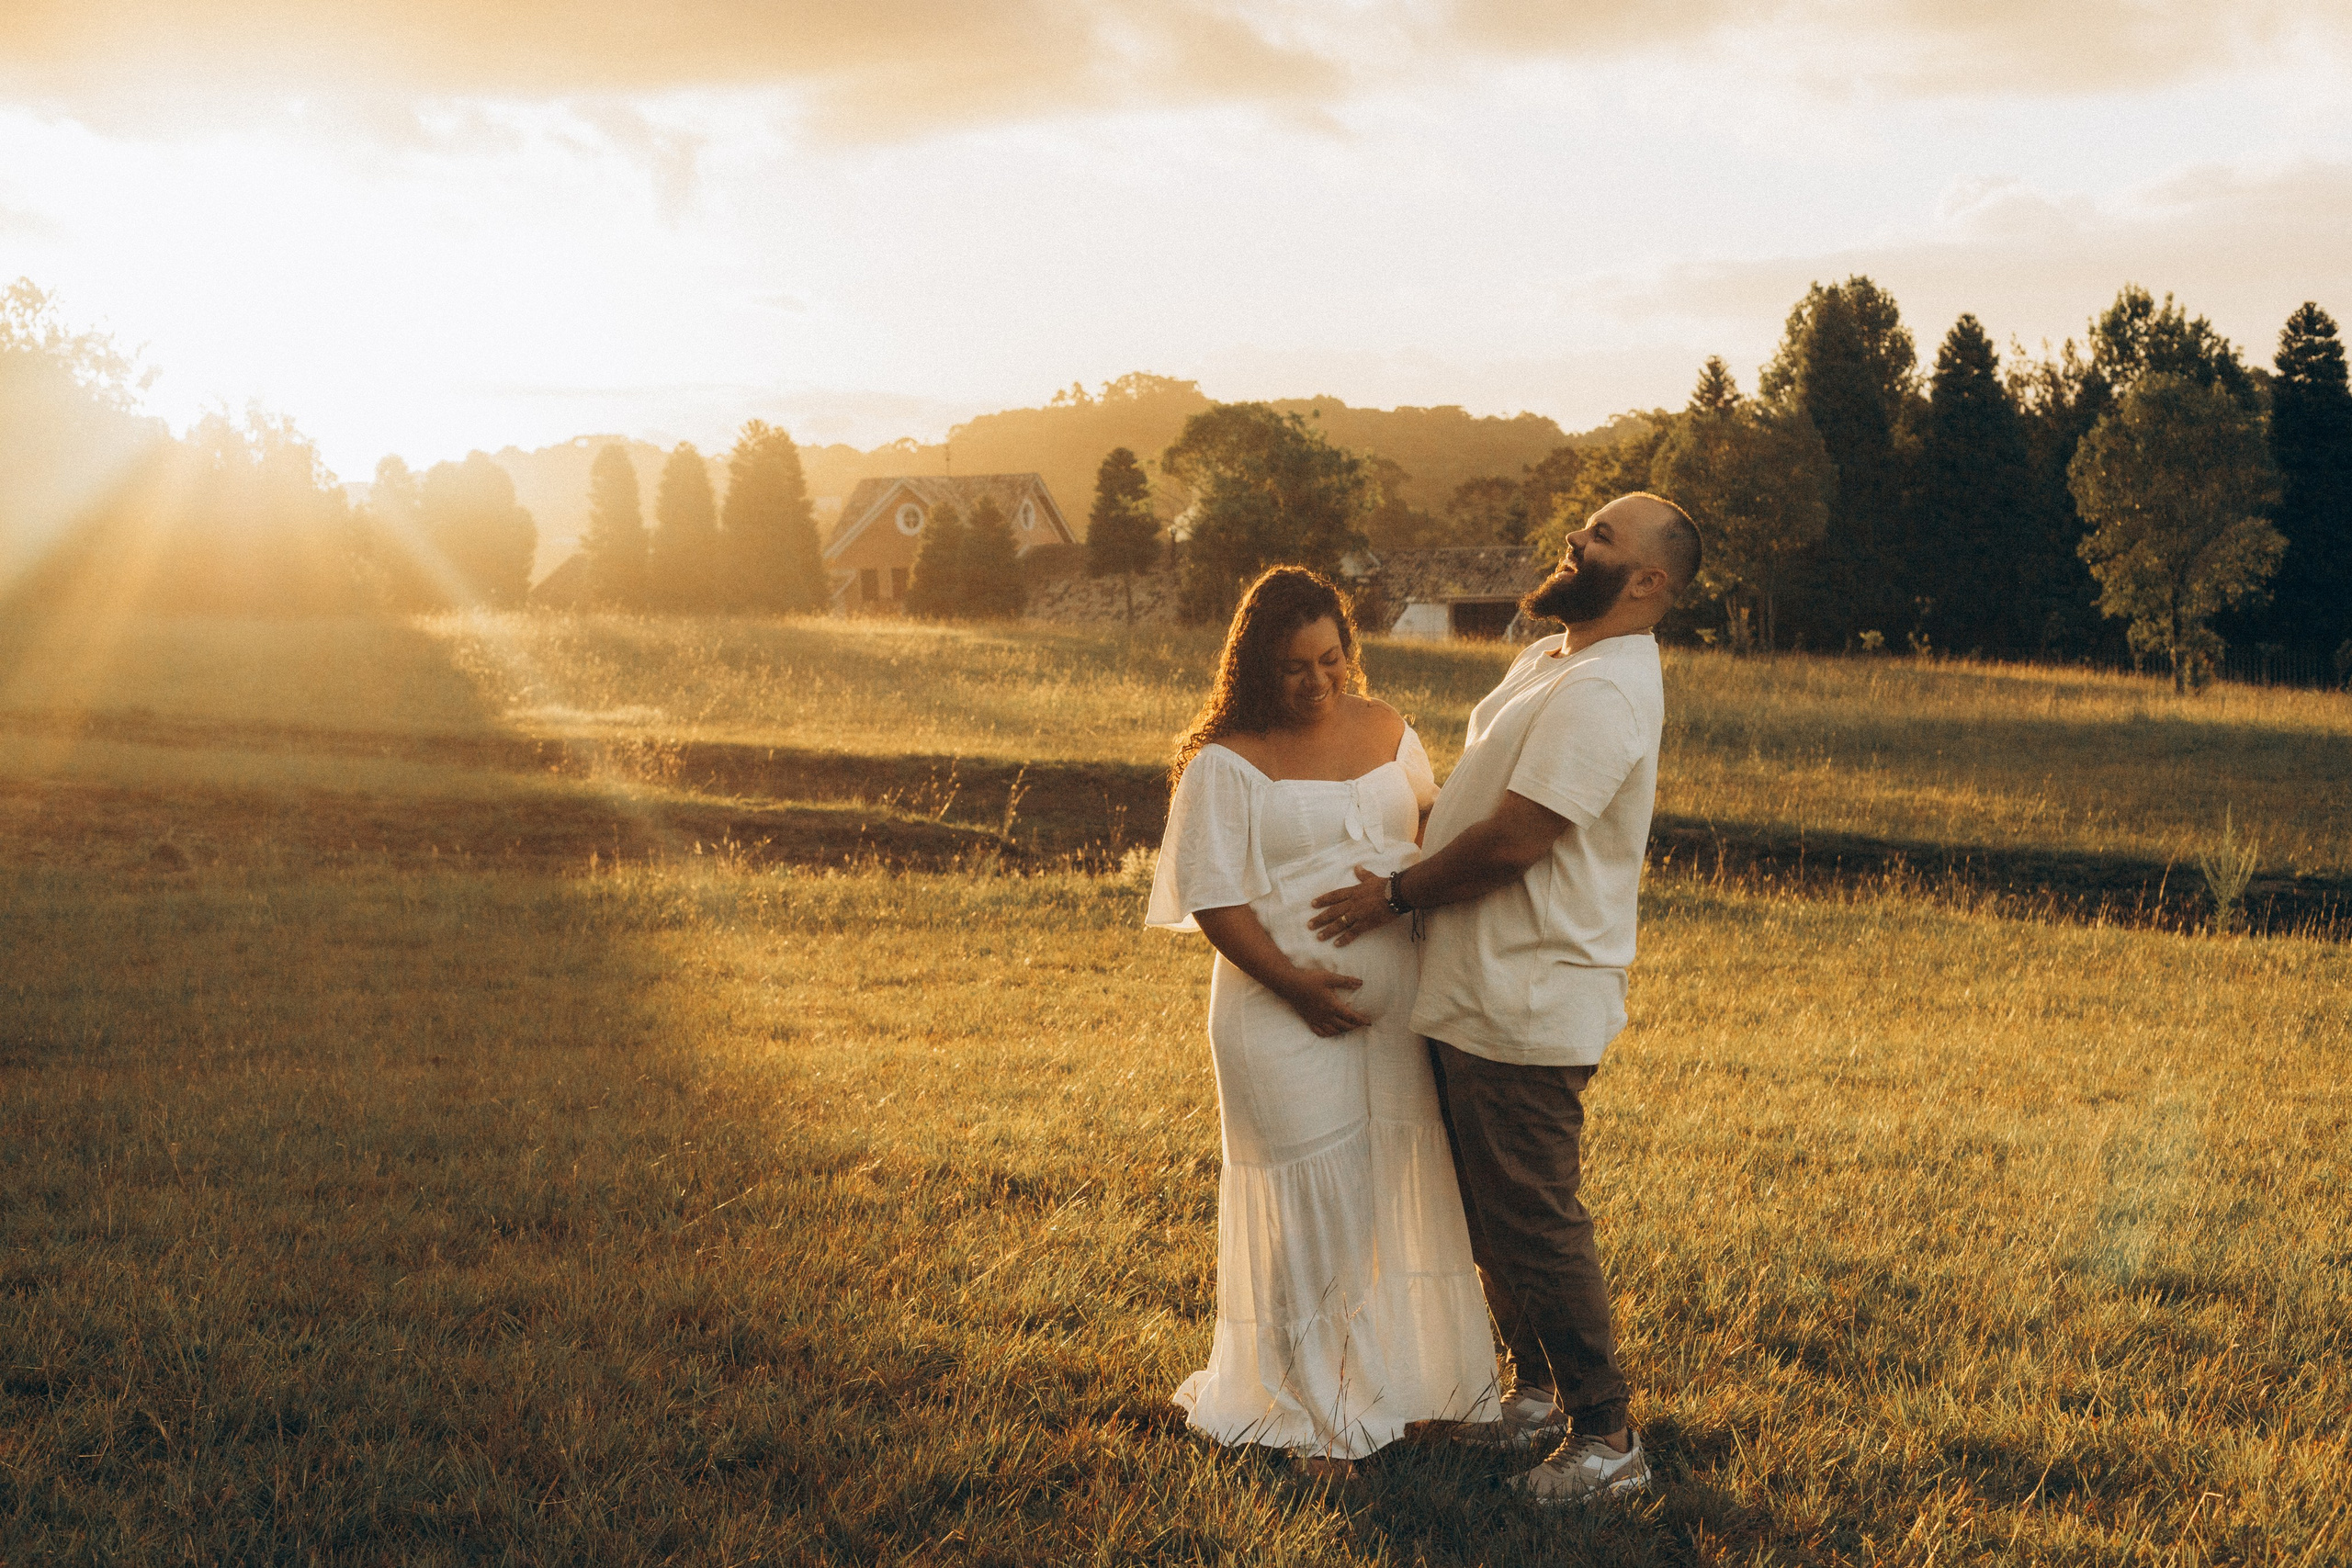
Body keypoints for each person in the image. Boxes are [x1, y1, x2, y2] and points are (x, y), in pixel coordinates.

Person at [1307, 492, 1702, 1504]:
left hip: (1532, 988)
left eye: (1603, 537)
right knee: (1488, 1210)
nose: (1577, 539)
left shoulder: (1607, 690)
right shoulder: (1552, 658)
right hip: (1473, 979)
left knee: (1533, 1214)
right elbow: (1475, 797)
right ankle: (1531, 1396)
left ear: (1650, 582)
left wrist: (1395, 893)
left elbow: (1521, 835)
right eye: (1584, 526)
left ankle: (1607, 1437)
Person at [1146, 566, 1498, 1477]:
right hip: (1278, 1016)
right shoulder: (1224, 760)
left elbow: (1427, 837)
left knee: (1385, 1196)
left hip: (1395, 1017)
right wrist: (1297, 985)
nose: (1317, 682)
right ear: (1257, 666)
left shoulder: (1387, 730)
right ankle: (1314, 1417)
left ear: (1349, 648)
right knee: (1312, 1210)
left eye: (1330, 659)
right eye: (1294, 667)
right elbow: (1215, 900)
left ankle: (1408, 1389)